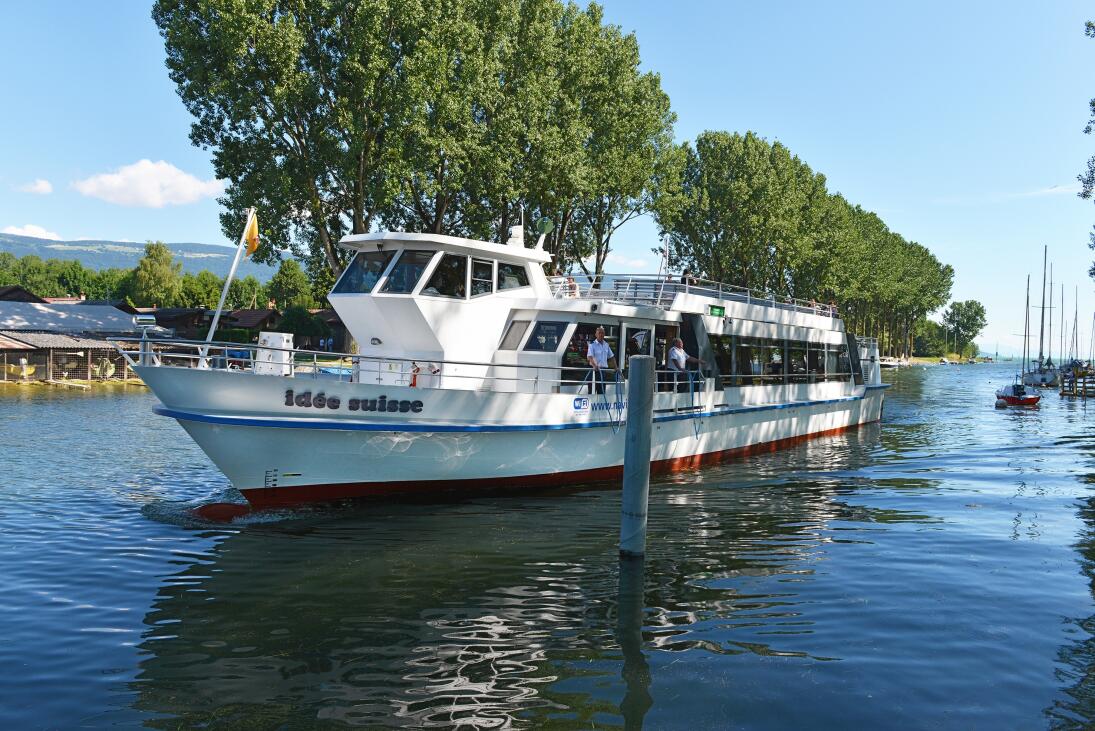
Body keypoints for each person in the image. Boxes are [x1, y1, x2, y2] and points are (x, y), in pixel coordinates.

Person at [586, 326, 615, 394]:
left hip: (603, 372)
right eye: (599, 333)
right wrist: (595, 365)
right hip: (593, 371)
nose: (601, 335)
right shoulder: (592, 345)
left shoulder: (606, 345)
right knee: (591, 392)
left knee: (602, 393)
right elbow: (589, 356)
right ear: (596, 334)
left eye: (602, 333)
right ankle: (591, 404)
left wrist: (616, 367)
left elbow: (612, 357)